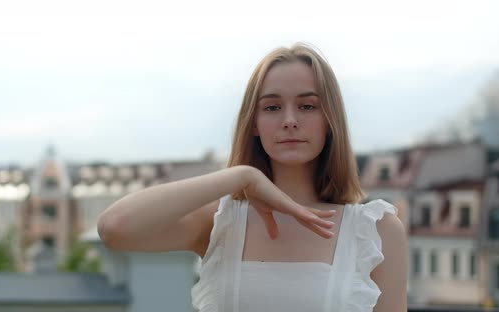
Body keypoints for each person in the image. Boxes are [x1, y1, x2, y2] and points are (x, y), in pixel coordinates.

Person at [97, 42, 408, 312]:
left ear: (330, 120)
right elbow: (115, 227)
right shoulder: (221, 223)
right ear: (254, 123)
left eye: (307, 106)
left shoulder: (375, 231)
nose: (289, 120)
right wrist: (241, 177)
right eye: (272, 107)